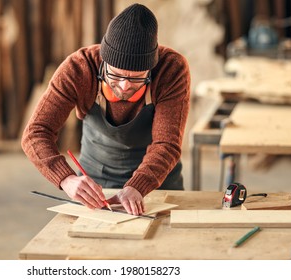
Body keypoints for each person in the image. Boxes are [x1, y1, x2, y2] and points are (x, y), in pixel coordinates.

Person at [22, 3, 191, 216]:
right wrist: (66, 178)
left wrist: (138, 186)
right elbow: (35, 132)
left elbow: (167, 143)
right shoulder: (78, 69)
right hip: (96, 183)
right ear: (104, 61)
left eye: (137, 78)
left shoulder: (171, 69)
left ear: (151, 68)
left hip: (157, 183)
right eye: (116, 75)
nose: (124, 86)